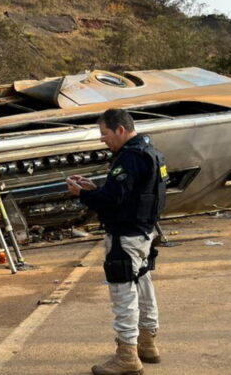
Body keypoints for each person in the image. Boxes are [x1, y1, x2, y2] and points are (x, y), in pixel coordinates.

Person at [66, 109, 166, 375]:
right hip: (144, 233)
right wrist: (95, 189)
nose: (102, 139)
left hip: (125, 236)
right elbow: (129, 193)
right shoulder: (150, 152)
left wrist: (83, 194)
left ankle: (127, 356)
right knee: (143, 286)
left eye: (104, 133)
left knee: (123, 294)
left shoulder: (129, 158)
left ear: (120, 130)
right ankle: (147, 343)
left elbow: (113, 199)